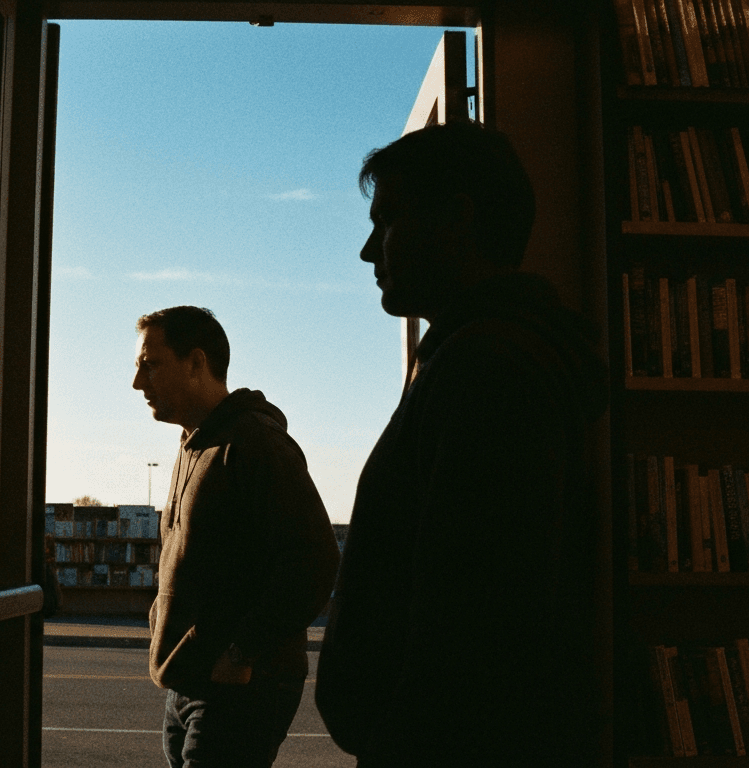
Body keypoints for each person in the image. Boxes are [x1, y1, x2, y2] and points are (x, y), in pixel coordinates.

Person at [315, 121, 609, 766]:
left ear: (456, 219)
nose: (370, 251)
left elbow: (476, 620)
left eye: (387, 218)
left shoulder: (488, 370)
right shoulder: (492, 356)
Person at [133, 305, 340, 768]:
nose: (138, 383)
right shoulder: (194, 443)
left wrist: (242, 650)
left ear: (195, 363)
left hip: (241, 686)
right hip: (188, 679)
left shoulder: (254, 442)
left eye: (150, 365)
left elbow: (315, 559)